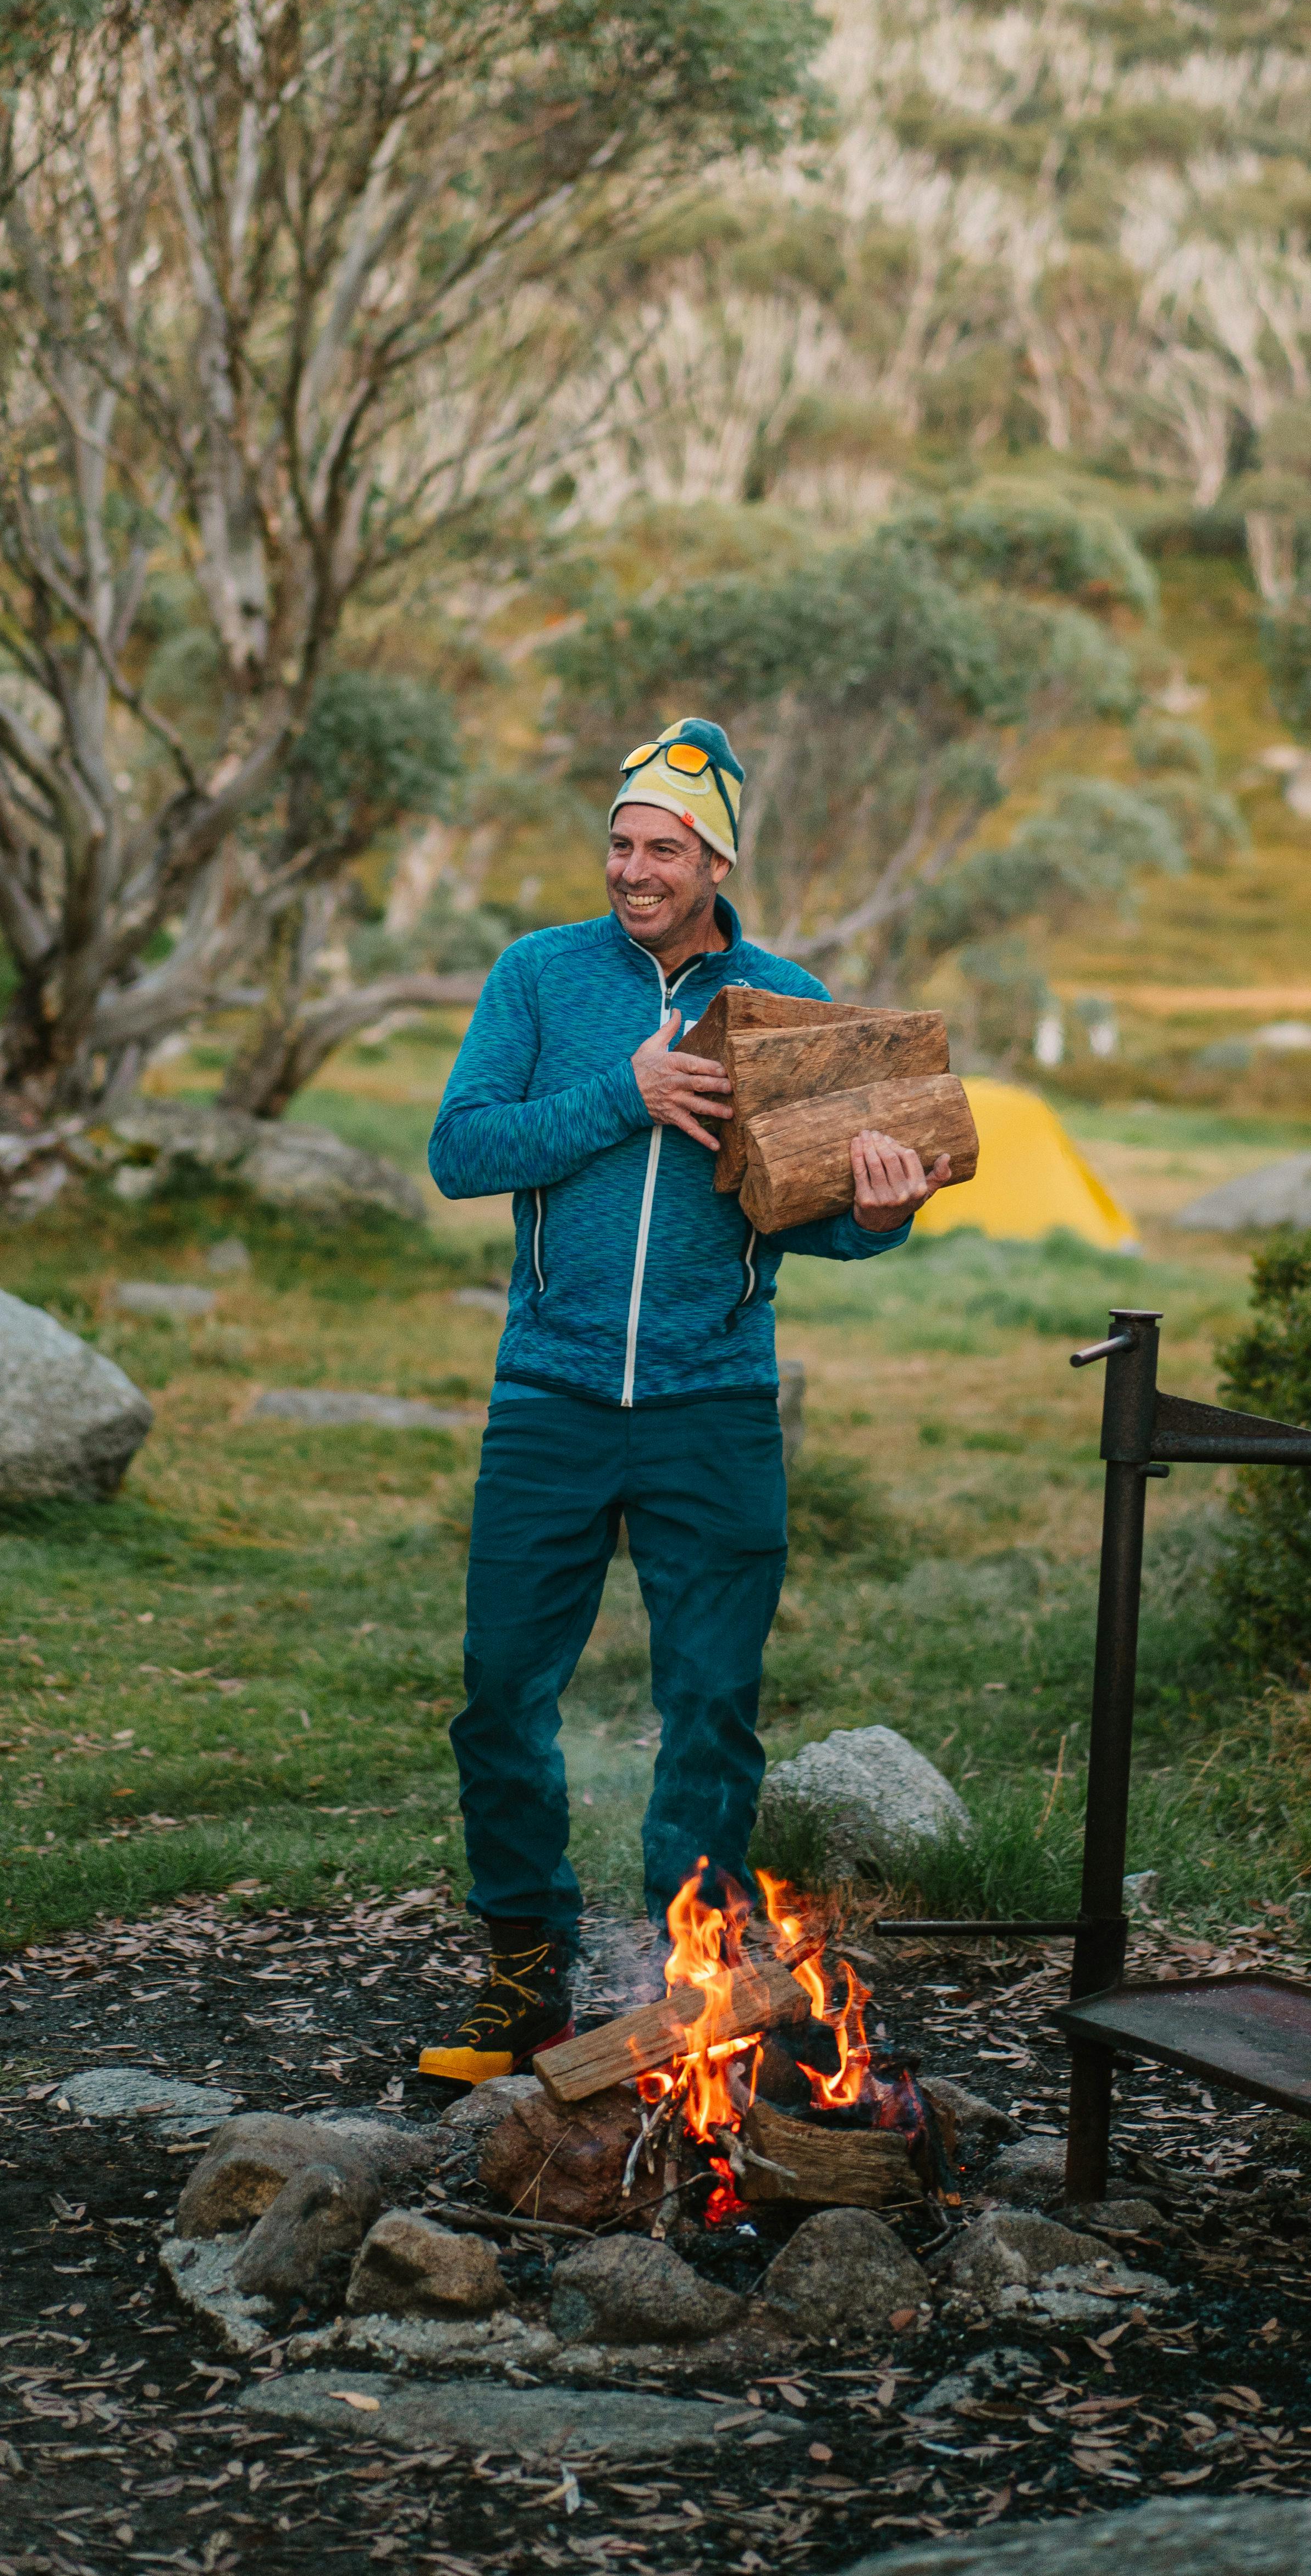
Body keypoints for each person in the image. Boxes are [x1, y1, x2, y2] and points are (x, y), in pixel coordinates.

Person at [416, 718, 954, 2082]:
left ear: (714, 858)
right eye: (618, 841)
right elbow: (461, 1150)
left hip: (716, 1403)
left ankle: (693, 1979)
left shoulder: (781, 1001)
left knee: (710, 1703)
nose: (632, 868)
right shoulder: (537, 979)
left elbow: (814, 1217)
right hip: (548, 1393)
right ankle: (525, 1977)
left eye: (661, 847)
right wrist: (626, 1089)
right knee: (498, 1693)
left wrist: (881, 1212)